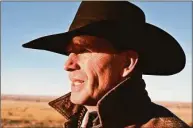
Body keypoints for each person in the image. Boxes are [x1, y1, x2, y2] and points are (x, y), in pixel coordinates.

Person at [22, 1, 190, 128]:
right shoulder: (80, 121)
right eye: (69, 53)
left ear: (127, 63)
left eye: (84, 51)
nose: (68, 65)